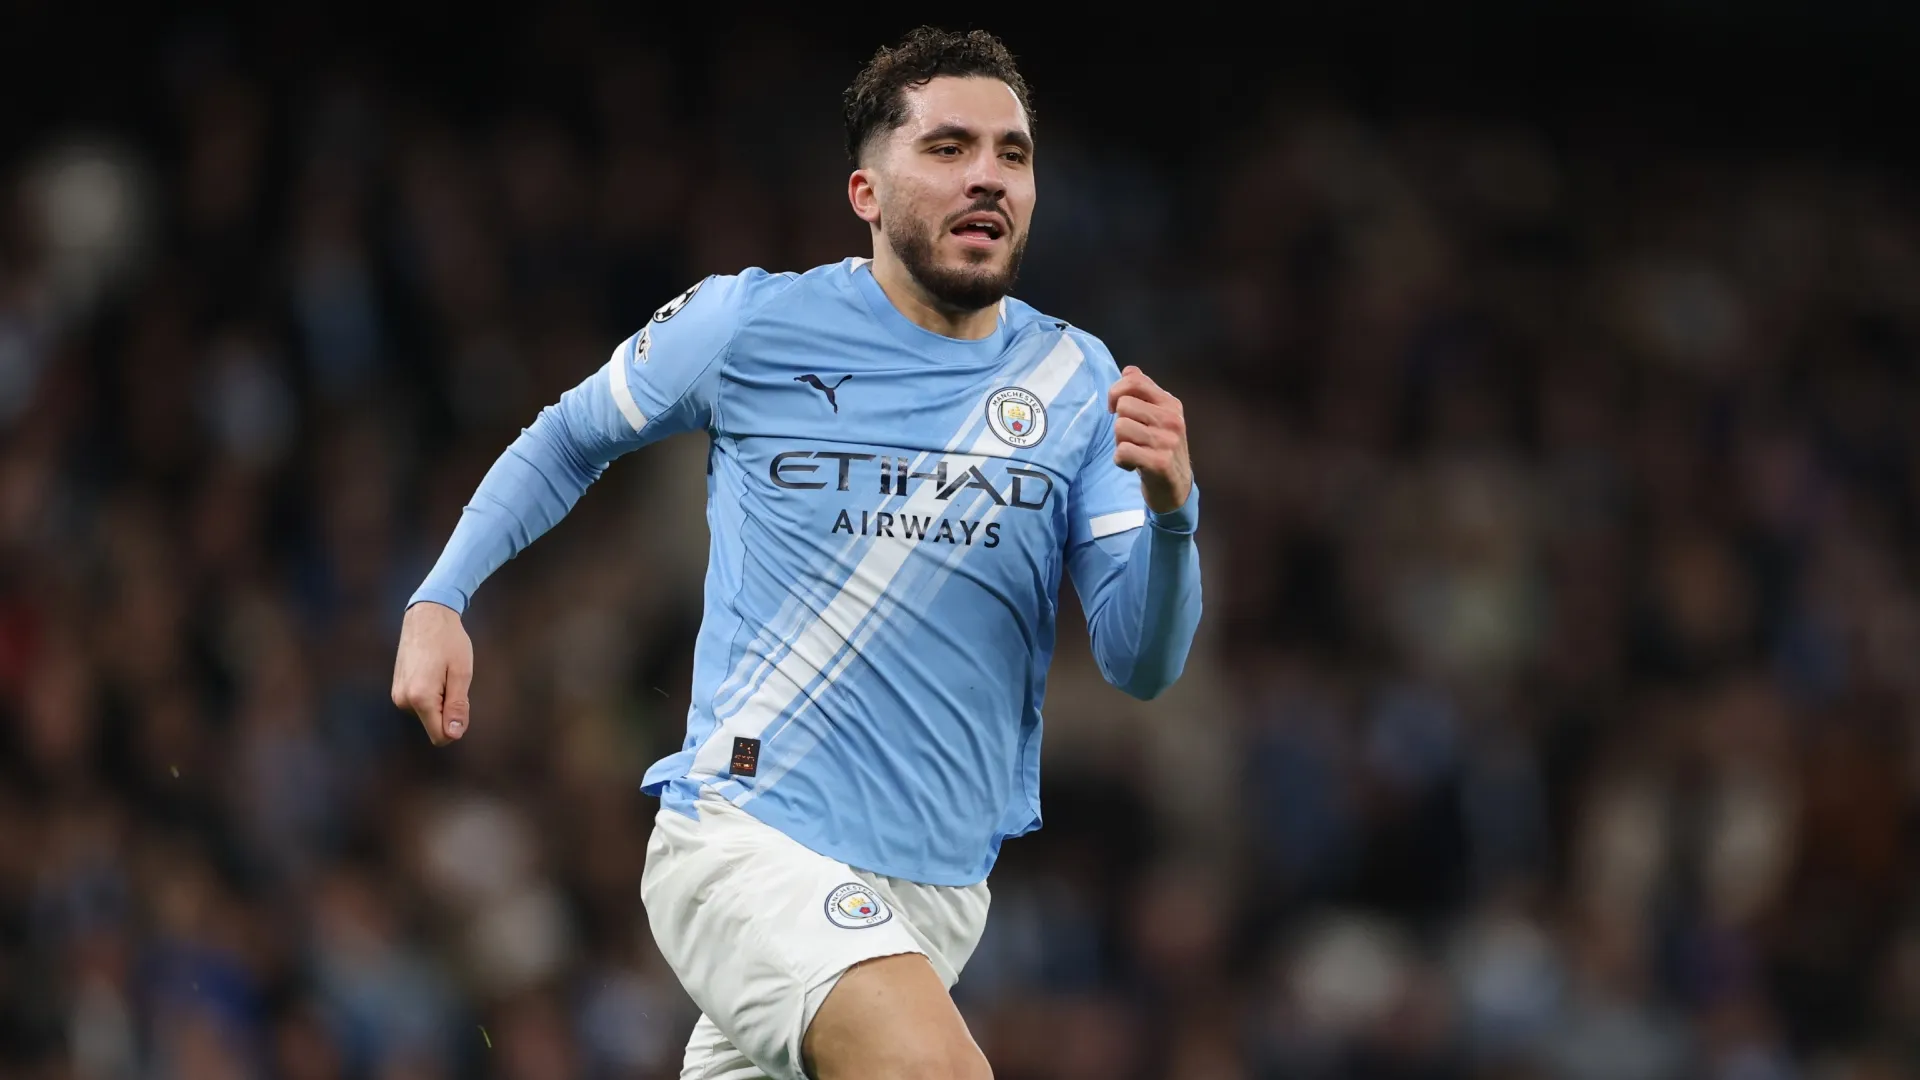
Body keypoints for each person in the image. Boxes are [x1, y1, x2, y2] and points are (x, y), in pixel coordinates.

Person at [390, 26, 1202, 1079]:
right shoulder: (751, 325)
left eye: (1013, 152)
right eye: (950, 148)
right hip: (750, 843)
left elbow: (1142, 663)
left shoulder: (1074, 382)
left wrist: (1175, 511)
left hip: (939, 896)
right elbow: (568, 437)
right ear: (867, 190)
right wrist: (440, 597)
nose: (989, 177)